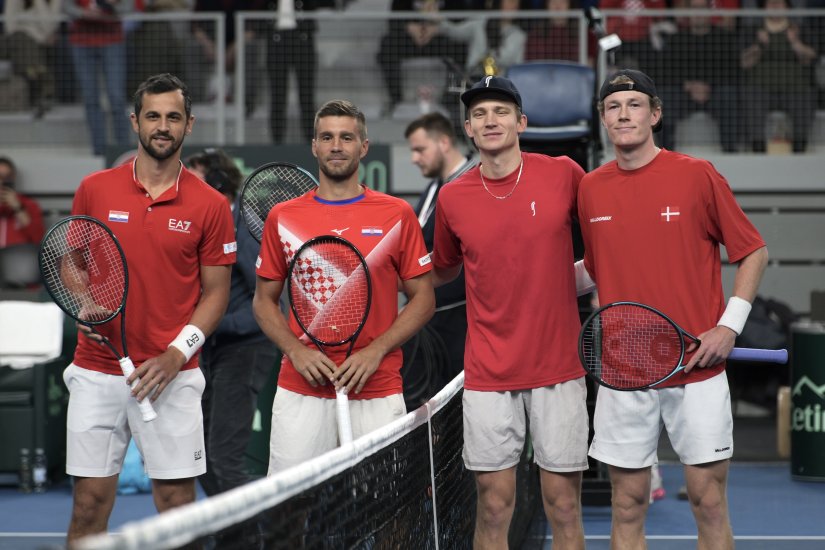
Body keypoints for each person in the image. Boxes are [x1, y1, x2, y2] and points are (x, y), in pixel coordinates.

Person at [578, 68, 769, 549]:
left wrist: (729, 327)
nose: (624, 114)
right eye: (613, 106)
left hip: (697, 368)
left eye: (634, 104)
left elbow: (753, 251)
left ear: (655, 115)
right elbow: (596, 271)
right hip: (624, 372)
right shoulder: (590, 188)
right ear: (604, 119)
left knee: (707, 501)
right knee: (627, 504)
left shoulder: (697, 175)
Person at [64, 73, 236, 544]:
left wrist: (176, 354)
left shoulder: (211, 205)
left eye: (173, 117)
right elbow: (71, 258)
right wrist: (82, 298)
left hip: (172, 377)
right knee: (88, 505)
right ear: (135, 121)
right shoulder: (94, 189)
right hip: (97, 370)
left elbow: (216, 293)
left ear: (189, 125)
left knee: (177, 508)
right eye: (154, 116)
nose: (163, 126)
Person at [430, 76, 589, 549]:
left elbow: (607, 234)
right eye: (479, 114)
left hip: (558, 367)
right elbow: (438, 272)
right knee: (494, 504)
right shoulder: (453, 197)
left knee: (562, 503)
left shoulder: (564, 173)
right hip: (487, 371)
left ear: (521, 122)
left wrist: (574, 280)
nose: (490, 120)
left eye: (500, 111)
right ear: (469, 130)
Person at [253, 99, 435, 474]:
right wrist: (295, 351)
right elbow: (263, 301)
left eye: (347, 137)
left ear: (363, 146)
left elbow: (424, 298)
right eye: (327, 137)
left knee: (388, 512)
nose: (337, 146)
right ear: (314, 146)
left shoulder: (397, 213)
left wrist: (376, 351)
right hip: (301, 387)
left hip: (377, 385)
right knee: (290, 511)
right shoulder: (282, 217)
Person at [185, 148, 279, 503]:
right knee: (204, 459)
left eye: (194, 180)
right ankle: (232, 535)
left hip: (246, 350)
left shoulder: (242, 225)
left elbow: (268, 299)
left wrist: (211, 324)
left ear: (219, 186)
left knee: (222, 458)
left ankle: (255, 535)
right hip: (212, 350)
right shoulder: (206, 222)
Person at [403, 112, 475, 401]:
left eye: (420, 149)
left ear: (444, 142)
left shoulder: (473, 183)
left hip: (462, 322)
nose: (414, 158)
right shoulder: (434, 187)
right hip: (428, 322)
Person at [658, 0, 740, 153]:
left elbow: (732, 70)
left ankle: (730, 151)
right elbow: (665, 72)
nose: (698, 13)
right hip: (684, 94)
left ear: (710, 12)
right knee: (664, 99)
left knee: (729, 96)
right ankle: (665, 154)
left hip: (715, 93)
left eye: (702, 9)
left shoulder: (723, 37)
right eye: (694, 9)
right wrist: (688, 85)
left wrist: (709, 86)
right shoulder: (677, 39)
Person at [739, 0, 818, 153]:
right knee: (752, 97)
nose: (775, 5)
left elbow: (809, 59)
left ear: (787, 7)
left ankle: (800, 147)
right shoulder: (754, 30)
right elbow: (745, 63)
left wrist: (795, 42)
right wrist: (759, 45)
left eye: (779, 3)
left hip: (795, 87)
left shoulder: (799, 30)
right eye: (771, 3)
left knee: (804, 97)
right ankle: (758, 147)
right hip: (761, 86)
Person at [63, 0, 134, 156]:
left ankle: (123, 151)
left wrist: (110, 9)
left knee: (116, 98)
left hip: (112, 40)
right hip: (81, 42)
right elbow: (66, 6)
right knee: (90, 98)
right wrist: (84, 13)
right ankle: (99, 151)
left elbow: (129, 6)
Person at [376, 0, 467, 114]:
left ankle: (450, 98)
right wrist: (410, 27)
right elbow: (393, 20)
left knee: (460, 47)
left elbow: (462, 21)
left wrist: (438, 28)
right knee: (387, 45)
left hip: (439, 38)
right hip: (410, 40)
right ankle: (396, 99)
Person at [265, 0, 335, 143]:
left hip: (302, 40)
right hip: (276, 41)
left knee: (306, 96)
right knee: (278, 97)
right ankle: (276, 144)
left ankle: (311, 143)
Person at [1, 0, 61, 117]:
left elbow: (49, 26)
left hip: (34, 43)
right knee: (21, 40)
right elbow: (9, 27)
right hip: (16, 40)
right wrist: (34, 32)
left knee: (24, 45)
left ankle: (39, 89)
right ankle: (45, 86)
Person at [439, 0, 526, 80]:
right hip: (473, 80)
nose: (514, 6)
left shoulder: (519, 35)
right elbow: (455, 31)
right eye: (511, 2)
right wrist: (438, 22)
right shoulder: (480, 23)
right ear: (498, 3)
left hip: (501, 85)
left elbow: (515, 64)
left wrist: (490, 58)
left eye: (516, 3)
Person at [0, 156, 45, 249]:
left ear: (13, 178)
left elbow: (39, 240)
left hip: (20, 259)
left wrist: (18, 208)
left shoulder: (30, 205)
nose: (2, 181)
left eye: (7, 177)